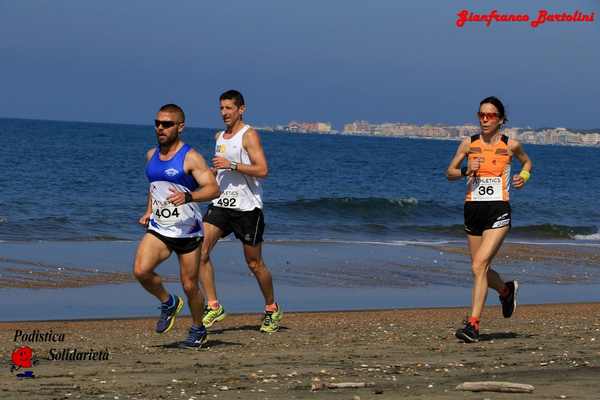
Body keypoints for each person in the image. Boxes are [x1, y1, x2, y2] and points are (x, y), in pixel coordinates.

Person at [446, 96, 532, 343]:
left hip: (498, 211)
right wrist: (464, 170)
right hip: (473, 210)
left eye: (491, 115)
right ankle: (506, 291)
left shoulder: (510, 145)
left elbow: (527, 161)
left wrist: (523, 176)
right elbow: (449, 172)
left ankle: (472, 325)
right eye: (481, 115)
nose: (485, 119)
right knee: (479, 268)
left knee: (478, 266)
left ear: (501, 119)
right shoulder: (468, 144)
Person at [133, 104, 220, 348]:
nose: (161, 128)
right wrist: (149, 211)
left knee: (190, 285)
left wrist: (189, 196)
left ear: (180, 127)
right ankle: (168, 302)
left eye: (167, 124)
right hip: (160, 228)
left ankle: (198, 328)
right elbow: (154, 187)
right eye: (158, 123)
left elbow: (213, 188)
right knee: (141, 271)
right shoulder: (151, 155)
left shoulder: (190, 157)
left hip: (187, 231)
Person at [199, 90, 283, 333]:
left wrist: (232, 164)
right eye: (221, 108)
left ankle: (271, 308)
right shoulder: (219, 137)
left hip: (248, 209)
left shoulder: (249, 136)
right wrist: (205, 177)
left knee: (254, 263)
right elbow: (219, 170)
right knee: (200, 250)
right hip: (221, 204)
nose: (224, 113)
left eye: (229, 108)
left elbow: (263, 170)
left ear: (241, 109)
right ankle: (214, 305)